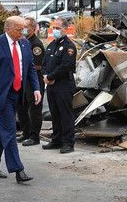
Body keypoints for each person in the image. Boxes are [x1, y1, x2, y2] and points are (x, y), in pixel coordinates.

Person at [0, 16, 42, 183]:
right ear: (8, 29)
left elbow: (29, 68)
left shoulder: (25, 44)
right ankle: (18, 170)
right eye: (18, 29)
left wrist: (36, 88)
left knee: (2, 131)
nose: (22, 32)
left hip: (18, 93)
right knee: (9, 131)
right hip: (1, 96)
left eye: (23, 29)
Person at [41, 17, 77, 154]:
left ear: (65, 29)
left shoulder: (69, 46)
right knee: (54, 113)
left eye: (57, 28)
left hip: (63, 84)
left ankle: (68, 142)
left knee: (65, 114)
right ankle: (56, 140)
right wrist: (46, 76)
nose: (55, 30)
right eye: (53, 28)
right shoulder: (51, 45)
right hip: (51, 85)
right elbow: (44, 64)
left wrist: (51, 77)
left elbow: (66, 66)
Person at [16, 17, 45, 146]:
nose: (23, 30)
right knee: (22, 108)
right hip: (23, 80)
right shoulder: (22, 42)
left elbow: (38, 66)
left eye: (25, 27)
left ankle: (34, 136)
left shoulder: (36, 45)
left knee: (34, 109)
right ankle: (25, 132)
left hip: (34, 80)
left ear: (32, 29)